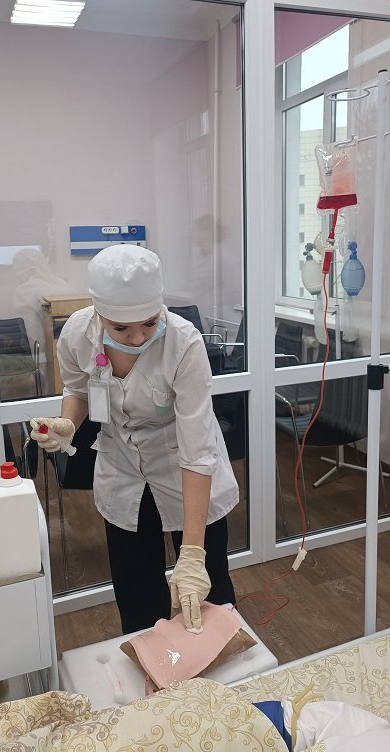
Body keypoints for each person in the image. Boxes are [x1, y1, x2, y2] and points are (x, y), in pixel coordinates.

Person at [31, 243, 239, 634]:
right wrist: (68, 424)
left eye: (149, 322)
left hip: (185, 465)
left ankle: (215, 667)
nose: (137, 336)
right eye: (121, 328)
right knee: (137, 592)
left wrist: (192, 555)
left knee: (207, 591)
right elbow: (77, 389)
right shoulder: (77, 334)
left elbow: (197, 452)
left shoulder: (184, 344)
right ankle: (152, 666)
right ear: (99, 313)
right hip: (122, 467)